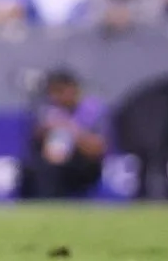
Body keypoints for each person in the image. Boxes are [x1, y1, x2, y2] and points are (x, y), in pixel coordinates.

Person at [24, 69, 107, 199]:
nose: (55, 97)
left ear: (73, 89)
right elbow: (39, 143)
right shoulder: (47, 110)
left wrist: (70, 130)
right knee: (37, 168)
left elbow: (97, 148)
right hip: (52, 162)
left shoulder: (91, 109)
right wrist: (46, 130)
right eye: (52, 92)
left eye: (60, 91)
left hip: (83, 163)